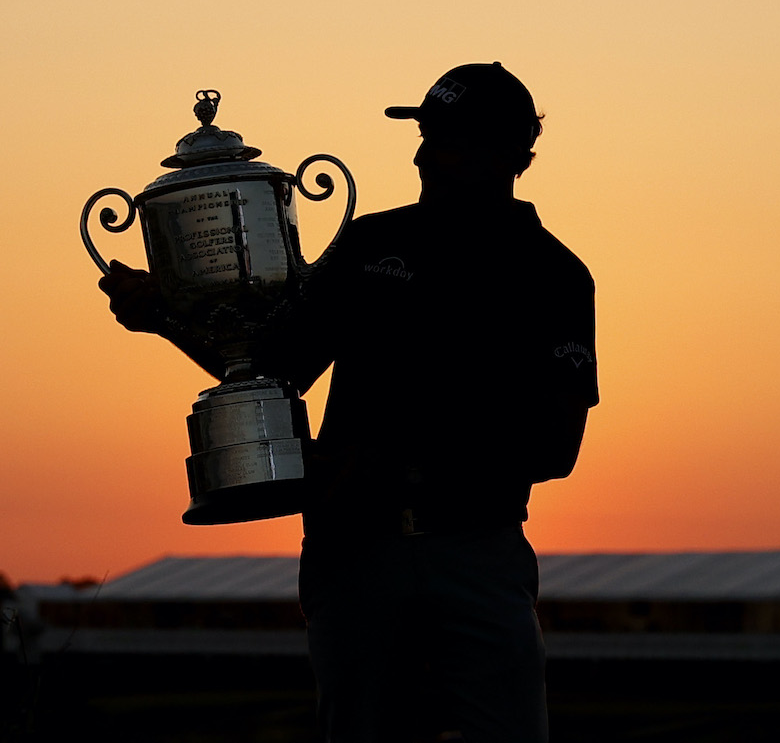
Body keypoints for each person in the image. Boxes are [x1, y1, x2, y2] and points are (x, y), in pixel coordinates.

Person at [99, 61, 598, 742]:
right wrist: (169, 312)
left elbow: (555, 446)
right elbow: (270, 367)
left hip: (478, 551)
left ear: (515, 155)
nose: (425, 155)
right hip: (355, 554)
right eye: (424, 135)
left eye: (449, 139)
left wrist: (398, 462)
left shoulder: (555, 276)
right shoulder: (369, 245)